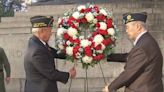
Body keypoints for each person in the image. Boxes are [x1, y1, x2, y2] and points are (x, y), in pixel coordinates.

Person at [103, 12, 163, 92]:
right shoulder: (146, 40)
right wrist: (107, 56)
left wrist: (110, 88)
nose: (126, 31)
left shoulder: (143, 45)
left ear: (138, 26)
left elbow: (128, 73)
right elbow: (130, 56)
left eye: (127, 27)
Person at [24, 15, 76, 92]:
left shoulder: (38, 44)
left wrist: (73, 52)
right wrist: (69, 75)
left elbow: (55, 53)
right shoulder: (37, 51)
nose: (51, 33)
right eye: (50, 30)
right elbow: (51, 73)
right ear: (42, 31)